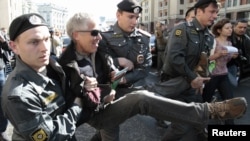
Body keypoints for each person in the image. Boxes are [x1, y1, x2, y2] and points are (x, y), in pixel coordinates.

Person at [58, 11, 247, 141]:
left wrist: (114, 74)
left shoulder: (98, 51)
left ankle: (222, 130)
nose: (99, 37)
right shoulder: (64, 66)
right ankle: (208, 112)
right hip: (94, 112)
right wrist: (89, 91)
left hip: (194, 83)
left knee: (112, 131)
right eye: (94, 32)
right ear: (76, 35)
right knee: (141, 99)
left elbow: (120, 68)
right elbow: (66, 107)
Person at [1, 13, 84, 141]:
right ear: (14, 47)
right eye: (34, 42)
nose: (44, 48)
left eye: (46, 39)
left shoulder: (53, 65)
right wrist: (77, 106)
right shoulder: (19, 95)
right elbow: (49, 136)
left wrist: (83, 85)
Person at [147, 0, 221, 140]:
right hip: (176, 83)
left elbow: (204, 62)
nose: (215, 16)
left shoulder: (209, 37)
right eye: (212, 12)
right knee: (180, 126)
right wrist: (193, 77)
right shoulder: (182, 29)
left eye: (216, 13)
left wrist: (203, 77)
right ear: (199, 11)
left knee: (201, 117)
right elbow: (175, 58)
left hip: (194, 86)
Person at [203, 18, 238, 125]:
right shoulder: (213, 41)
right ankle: (199, 124)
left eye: (231, 28)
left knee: (229, 102)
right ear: (219, 30)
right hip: (212, 76)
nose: (230, 30)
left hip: (224, 74)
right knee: (205, 101)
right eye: (227, 28)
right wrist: (218, 55)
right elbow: (206, 59)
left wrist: (232, 57)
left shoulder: (229, 43)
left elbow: (226, 61)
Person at [227, 19, 250, 86]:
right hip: (225, 65)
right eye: (240, 27)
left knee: (232, 85)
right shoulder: (228, 37)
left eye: (244, 28)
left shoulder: (246, 38)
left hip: (236, 65)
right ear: (234, 27)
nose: (242, 29)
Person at [0, 28, 11, 141]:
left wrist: (3, 40)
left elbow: (9, 48)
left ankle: (2, 130)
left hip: (0, 72)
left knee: (3, 102)